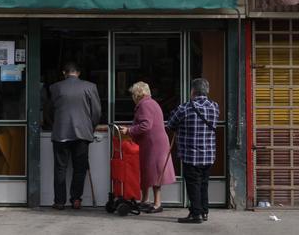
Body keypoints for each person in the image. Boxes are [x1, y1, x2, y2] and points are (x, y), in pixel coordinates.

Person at [47, 62, 102, 210]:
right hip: (82, 134)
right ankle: (76, 199)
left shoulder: (55, 87)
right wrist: (90, 127)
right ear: (79, 72)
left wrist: (56, 124)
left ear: (64, 73)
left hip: (60, 134)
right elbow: (96, 112)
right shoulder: (90, 87)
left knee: (60, 169)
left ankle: (59, 201)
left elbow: (49, 111)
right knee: (80, 169)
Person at [115, 82, 176, 213]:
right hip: (153, 143)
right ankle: (145, 200)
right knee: (148, 173)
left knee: (154, 174)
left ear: (137, 94)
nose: (132, 97)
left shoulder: (145, 105)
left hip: (154, 145)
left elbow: (146, 125)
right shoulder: (151, 103)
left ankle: (157, 204)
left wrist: (129, 131)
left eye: (133, 94)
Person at [166, 78, 219, 225]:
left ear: (192, 91)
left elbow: (170, 124)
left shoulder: (185, 108)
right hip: (208, 154)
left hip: (191, 154)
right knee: (204, 184)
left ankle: (196, 214)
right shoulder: (214, 107)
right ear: (206, 91)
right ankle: (204, 211)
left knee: (193, 184)